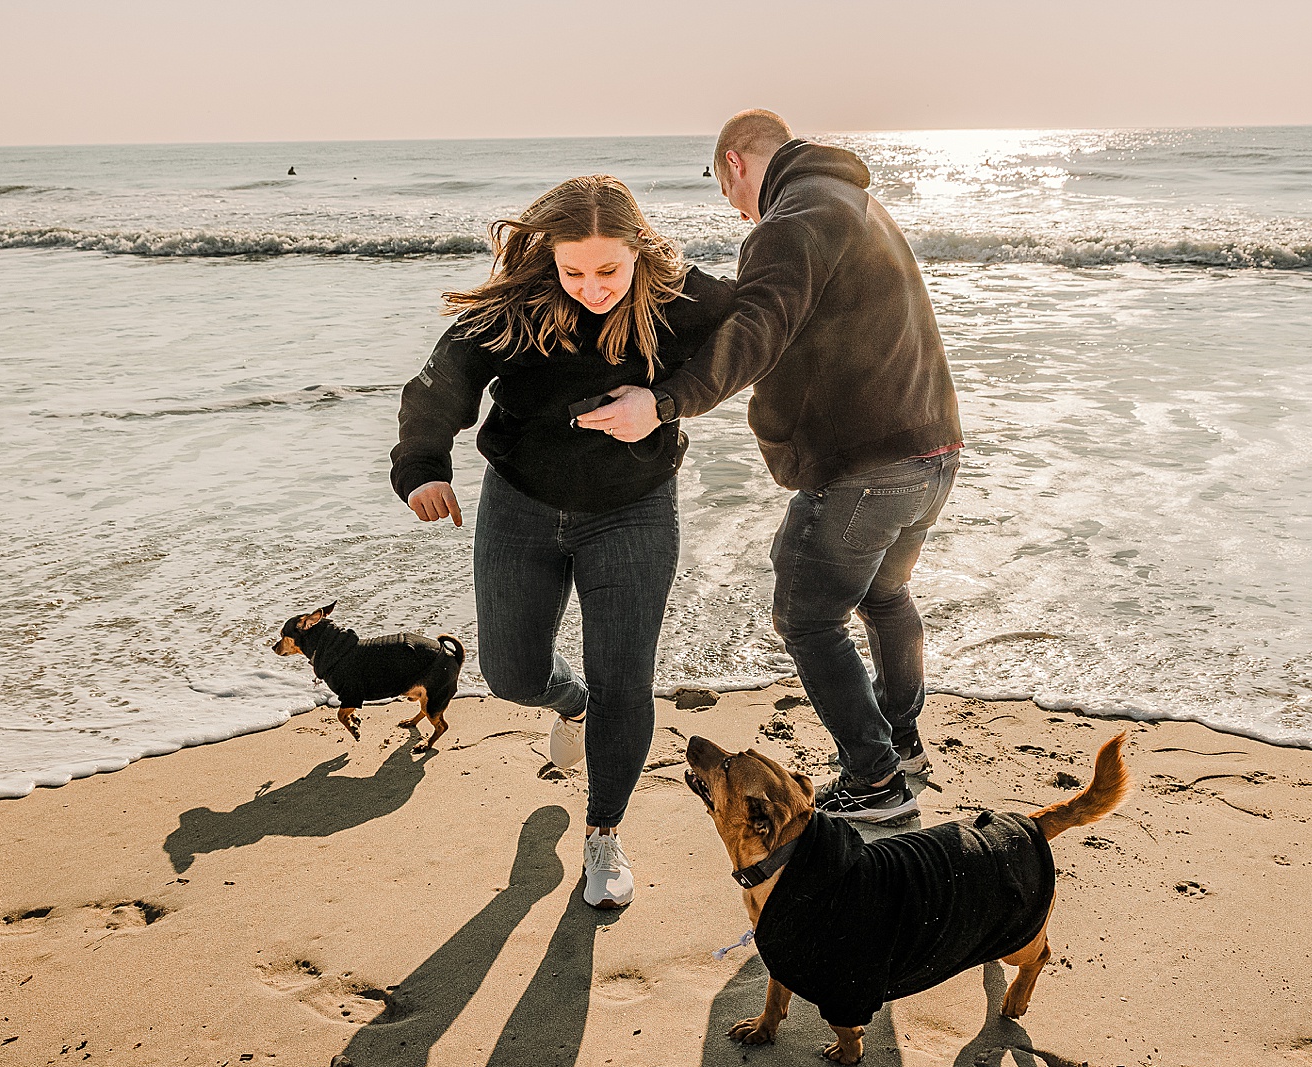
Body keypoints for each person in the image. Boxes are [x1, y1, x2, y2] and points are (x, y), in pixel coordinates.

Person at [579, 110, 963, 824]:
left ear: (735, 162)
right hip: (934, 453)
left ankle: (876, 780)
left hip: (866, 466)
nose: (731, 202)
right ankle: (902, 746)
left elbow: (755, 328)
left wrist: (665, 402)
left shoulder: (790, 220)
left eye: (723, 185)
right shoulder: (855, 202)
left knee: (807, 616)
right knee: (883, 596)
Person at [390, 175, 732, 907]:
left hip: (633, 509)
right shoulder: (518, 306)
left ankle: (604, 832)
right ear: (549, 258)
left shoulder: (683, 300)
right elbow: (439, 385)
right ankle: (569, 701)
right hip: (522, 502)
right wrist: (422, 469)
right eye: (573, 270)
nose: (592, 287)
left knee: (626, 678)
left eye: (609, 269)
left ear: (639, 250)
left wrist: (670, 400)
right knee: (510, 673)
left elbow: (765, 332)